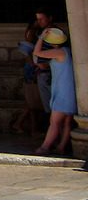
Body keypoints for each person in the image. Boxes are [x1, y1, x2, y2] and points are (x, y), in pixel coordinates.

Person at [33, 26, 75, 156]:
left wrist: (41, 38)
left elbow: (37, 52)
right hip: (68, 90)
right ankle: (62, 146)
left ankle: (45, 147)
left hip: (63, 91)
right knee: (67, 121)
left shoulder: (59, 52)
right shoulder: (66, 51)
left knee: (55, 122)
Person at [11, 22, 44, 136]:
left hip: (31, 71)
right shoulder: (32, 36)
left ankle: (27, 126)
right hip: (31, 72)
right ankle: (25, 125)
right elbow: (30, 58)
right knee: (32, 103)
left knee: (32, 103)